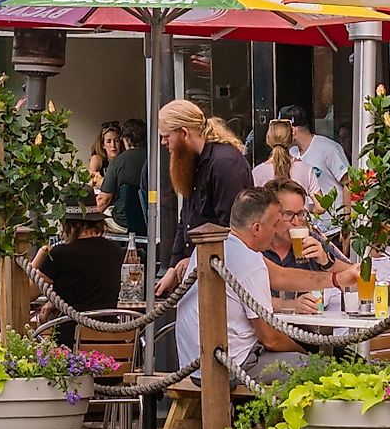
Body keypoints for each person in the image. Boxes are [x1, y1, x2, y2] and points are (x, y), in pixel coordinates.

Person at [170, 186, 306, 383]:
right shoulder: (250, 260)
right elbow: (269, 337)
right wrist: (304, 352)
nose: (276, 231)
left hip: (194, 369)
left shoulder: (208, 249)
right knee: (322, 369)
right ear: (257, 228)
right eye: (275, 224)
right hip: (231, 367)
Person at [155, 98, 251, 291]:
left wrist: (192, 260)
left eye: (167, 137)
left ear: (184, 133)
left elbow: (231, 227)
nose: (164, 143)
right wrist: (174, 266)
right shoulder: (194, 161)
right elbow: (187, 217)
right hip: (199, 268)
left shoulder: (224, 163)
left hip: (224, 273)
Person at [260, 177, 359, 307]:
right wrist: (291, 305)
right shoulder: (257, 244)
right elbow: (247, 299)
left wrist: (326, 261)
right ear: (271, 214)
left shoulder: (311, 238)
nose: (296, 222)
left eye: (301, 214)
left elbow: (357, 277)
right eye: (288, 214)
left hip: (310, 325)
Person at [34, 208, 125, 344]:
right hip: (109, 339)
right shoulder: (114, 249)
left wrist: (41, 253)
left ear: (70, 224)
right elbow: (86, 285)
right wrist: (53, 301)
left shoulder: (60, 254)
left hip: (71, 341)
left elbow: (28, 293)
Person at [279, 106, 351, 205]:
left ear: (292, 130)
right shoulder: (291, 153)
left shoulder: (328, 148)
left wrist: (347, 218)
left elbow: (349, 183)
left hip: (331, 218)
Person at [99, 125, 147, 242]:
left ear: (126, 140)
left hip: (124, 223)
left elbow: (104, 200)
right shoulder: (157, 158)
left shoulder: (119, 161)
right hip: (151, 221)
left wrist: (86, 218)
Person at [251, 118, 295, 187]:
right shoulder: (306, 170)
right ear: (292, 139)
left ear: (268, 139)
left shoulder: (257, 172)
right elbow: (317, 197)